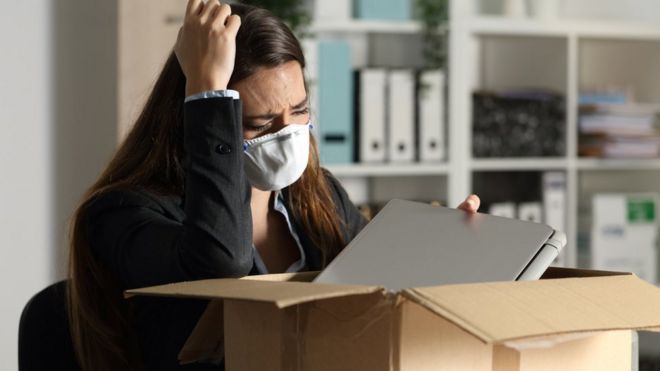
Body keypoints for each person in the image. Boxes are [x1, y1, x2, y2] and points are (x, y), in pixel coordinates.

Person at [66, 2, 481, 371]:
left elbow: (380, 287)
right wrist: (208, 89)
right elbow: (220, 261)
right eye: (260, 124)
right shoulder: (121, 213)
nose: (287, 135)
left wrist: (444, 249)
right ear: (202, 121)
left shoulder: (319, 196)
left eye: (299, 110)